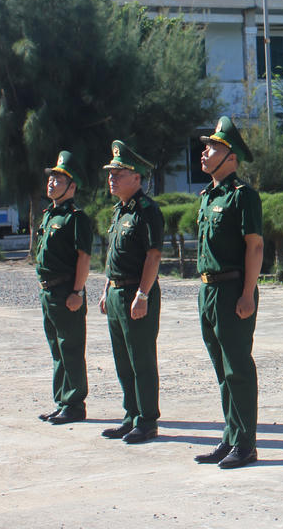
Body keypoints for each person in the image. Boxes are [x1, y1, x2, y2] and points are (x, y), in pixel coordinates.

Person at [192, 116, 264, 469]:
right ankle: (230, 436)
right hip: (207, 290)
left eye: (213, 147)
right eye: (206, 147)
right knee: (222, 369)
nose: (205, 152)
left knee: (237, 367)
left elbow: (254, 247)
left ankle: (246, 444)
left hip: (233, 288)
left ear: (231, 156)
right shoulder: (207, 196)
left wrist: (248, 293)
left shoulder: (243, 196)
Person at [99, 140, 163, 444]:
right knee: (122, 359)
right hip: (115, 293)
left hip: (136, 294)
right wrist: (104, 289)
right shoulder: (120, 211)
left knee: (141, 359)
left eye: (118, 173)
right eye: (111, 173)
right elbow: (114, 255)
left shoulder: (146, 211)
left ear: (136, 177)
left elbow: (153, 256)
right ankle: (131, 415)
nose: (112, 178)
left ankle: (147, 421)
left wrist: (143, 294)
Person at [35, 150, 92, 425]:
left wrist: (77, 292)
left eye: (58, 180)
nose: (51, 183)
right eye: (51, 179)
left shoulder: (75, 218)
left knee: (70, 348)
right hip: (48, 291)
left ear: (72, 186)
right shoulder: (50, 215)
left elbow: (84, 257)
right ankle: (62, 401)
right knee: (56, 349)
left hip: (66, 291)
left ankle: (75, 404)